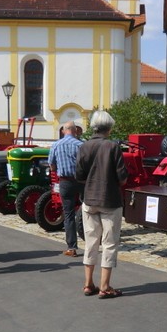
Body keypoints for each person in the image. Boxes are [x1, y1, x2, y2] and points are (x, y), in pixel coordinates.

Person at [75, 110, 128, 299]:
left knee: (91, 242)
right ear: (109, 128)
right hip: (110, 201)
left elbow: (79, 176)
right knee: (109, 243)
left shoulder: (84, 147)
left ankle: (88, 284)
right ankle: (105, 286)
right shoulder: (113, 147)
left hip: (89, 200)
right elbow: (122, 178)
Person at [48, 121, 83, 256]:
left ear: (63, 131)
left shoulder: (56, 145)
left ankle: (72, 247)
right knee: (87, 209)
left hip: (65, 182)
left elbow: (52, 166)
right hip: (80, 181)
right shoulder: (80, 145)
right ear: (75, 131)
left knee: (68, 213)